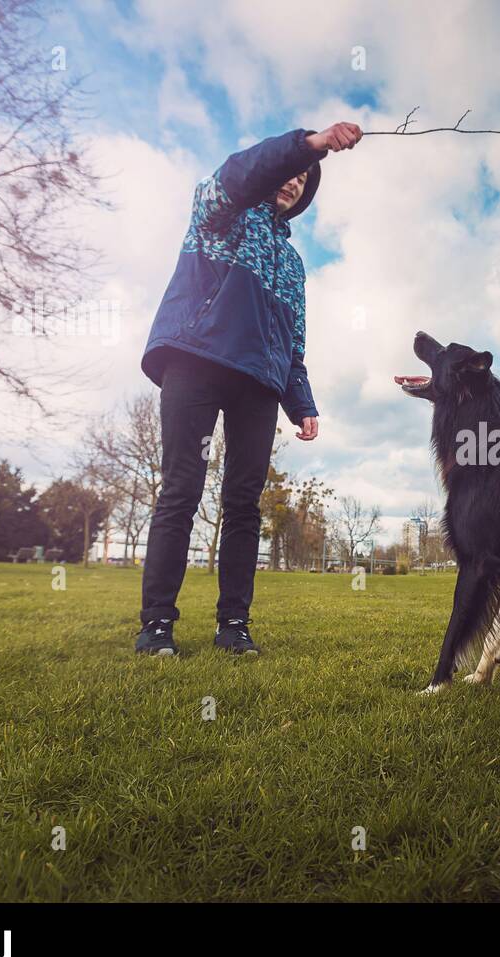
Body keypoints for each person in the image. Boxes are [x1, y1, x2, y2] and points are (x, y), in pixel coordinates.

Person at [134, 122, 363, 656]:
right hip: (195, 360)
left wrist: (301, 402)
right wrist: (308, 144)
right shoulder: (223, 210)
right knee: (181, 490)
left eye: (305, 179)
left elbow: (293, 343)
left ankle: (233, 625)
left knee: (243, 504)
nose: (295, 182)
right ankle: (157, 625)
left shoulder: (295, 264)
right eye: (292, 172)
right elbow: (239, 173)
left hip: (258, 384)